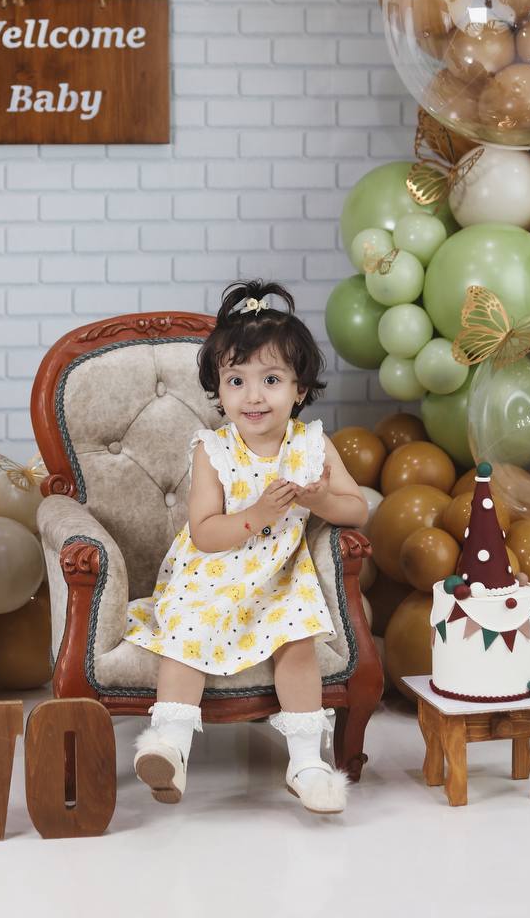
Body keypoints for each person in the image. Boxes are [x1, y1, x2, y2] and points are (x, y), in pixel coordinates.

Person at [125, 280, 368, 814]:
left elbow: (357, 510)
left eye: (271, 380)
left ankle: (306, 762)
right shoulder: (213, 450)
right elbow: (204, 531)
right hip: (212, 570)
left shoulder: (311, 445)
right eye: (236, 381)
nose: (253, 396)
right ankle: (171, 746)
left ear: (299, 390)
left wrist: (322, 499)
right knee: (185, 634)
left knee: (296, 642)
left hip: (279, 575)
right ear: (219, 389)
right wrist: (259, 514)